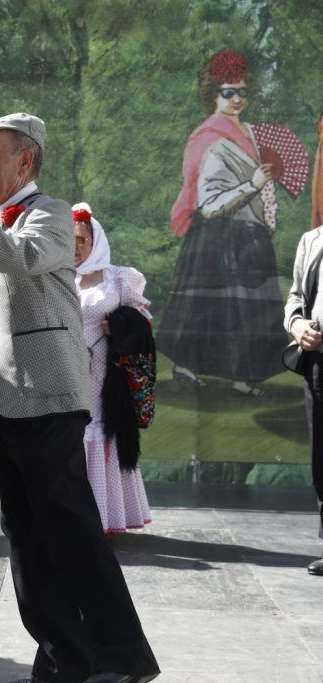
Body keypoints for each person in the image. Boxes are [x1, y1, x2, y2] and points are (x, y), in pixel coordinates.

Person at [0, 112, 159, 683]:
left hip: (47, 397)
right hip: (4, 405)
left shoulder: (48, 215)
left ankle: (122, 658)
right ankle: (62, 659)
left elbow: (19, 256)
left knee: (71, 528)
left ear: (24, 160)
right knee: (27, 540)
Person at [159, 48, 286, 397]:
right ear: (214, 94)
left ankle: (242, 377)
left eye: (243, 92)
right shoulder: (209, 137)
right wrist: (252, 185)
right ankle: (189, 367)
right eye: (229, 92)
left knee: (246, 312)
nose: (237, 99)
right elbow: (208, 203)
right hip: (216, 238)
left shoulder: (248, 132)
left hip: (246, 238)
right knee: (211, 309)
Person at [73, 203, 153, 535]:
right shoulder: (56, 276)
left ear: (96, 240)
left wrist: (118, 326)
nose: (74, 247)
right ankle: (73, 515)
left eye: (81, 240)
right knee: (71, 435)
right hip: (68, 374)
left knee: (99, 431)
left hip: (105, 377)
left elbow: (143, 324)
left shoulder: (119, 278)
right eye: (68, 240)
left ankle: (105, 516)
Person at [283, 222, 323, 576]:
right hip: (318, 364)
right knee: (321, 456)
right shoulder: (312, 240)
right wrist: (296, 324)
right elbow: (296, 295)